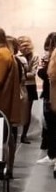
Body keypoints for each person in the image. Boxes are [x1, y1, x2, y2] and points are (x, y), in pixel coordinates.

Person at [17, 34, 39, 142]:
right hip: (19, 85)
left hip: (30, 86)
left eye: (27, 45)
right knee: (17, 110)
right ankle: (15, 132)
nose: (25, 48)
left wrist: (22, 74)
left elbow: (33, 73)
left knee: (27, 111)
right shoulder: (17, 56)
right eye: (22, 45)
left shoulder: (35, 56)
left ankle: (24, 135)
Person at [38, 32, 56, 170]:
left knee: (51, 126)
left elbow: (50, 75)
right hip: (50, 94)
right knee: (49, 126)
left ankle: (52, 155)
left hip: (52, 96)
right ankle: (51, 154)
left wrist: (43, 68)